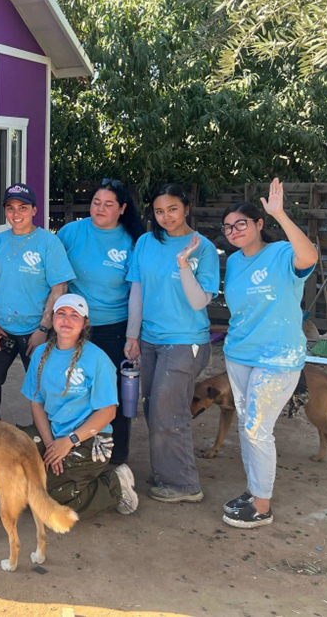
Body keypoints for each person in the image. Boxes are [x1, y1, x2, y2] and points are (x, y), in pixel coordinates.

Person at [208, 181, 319, 528]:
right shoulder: (235, 262)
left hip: (278, 358)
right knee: (247, 426)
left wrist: (280, 214)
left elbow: (310, 257)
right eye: (228, 227)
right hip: (240, 354)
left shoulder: (283, 252)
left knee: (257, 429)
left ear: (258, 224)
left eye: (241, 223)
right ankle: (254, 491)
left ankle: (262, 507)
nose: (233, 231)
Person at [125, 183, 220, 503]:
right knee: (153, 409)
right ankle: (167, 470)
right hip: (150, 340)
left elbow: (198, 302)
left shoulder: (203, 248)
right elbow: (137, 290)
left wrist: (183, 264)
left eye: (173, 209)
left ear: (187, 208)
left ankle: (184, 484)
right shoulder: (145, 242)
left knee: (170, 412)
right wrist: (132, 335)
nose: (166, 216)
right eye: (159, 211)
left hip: (185, 341)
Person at [24, 294, 141, 517]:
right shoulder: (40, 354)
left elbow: (108, 411)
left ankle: (114, 484)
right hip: (54, 433)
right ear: (52, 318)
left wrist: (69, 441)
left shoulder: (96, 358)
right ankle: (75, 476)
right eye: (62, 313)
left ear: (85, 323)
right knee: (16, 467)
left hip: (88, 438)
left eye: (74, 315)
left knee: (50, 501)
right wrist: (51, 445)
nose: (67, 320)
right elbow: (36, 402)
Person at [58, 178, 144, 468]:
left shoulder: (133, 240)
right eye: (96, 202)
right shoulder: (71, 232)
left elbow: (138, 292)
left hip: (114, 329)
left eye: (109, 204)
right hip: (72, 326)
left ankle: (115, 459)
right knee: (72, 389)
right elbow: (54, 277)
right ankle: (74, 452)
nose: (100, 208)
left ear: (122, 209)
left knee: (111, 394)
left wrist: (134, 336)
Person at [0, 183, 76, 421]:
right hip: (1, 329)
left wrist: (44, 328)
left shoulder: (48, 243)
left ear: (34, 210)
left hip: (36, 331)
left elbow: (59, 287)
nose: (16, 213)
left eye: (23, 207)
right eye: (10, 208)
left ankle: (45, 444)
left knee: (46, 389)